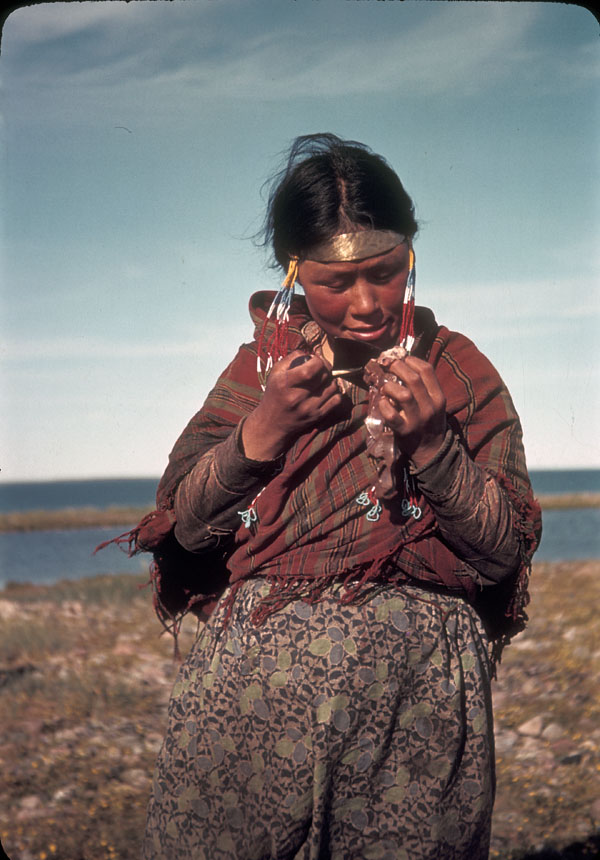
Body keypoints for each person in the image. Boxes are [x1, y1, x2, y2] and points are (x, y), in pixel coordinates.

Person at [140, 133, 541, 860]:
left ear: (410, 256)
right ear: (296, 273)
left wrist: (434, 448)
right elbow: (187, 529)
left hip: (416, 710)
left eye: (385, 274)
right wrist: (262, 431)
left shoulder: (457, 367)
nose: (365, 304)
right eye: (335, 283)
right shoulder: (261, 367)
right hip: (253, 706)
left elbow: (503, 548)